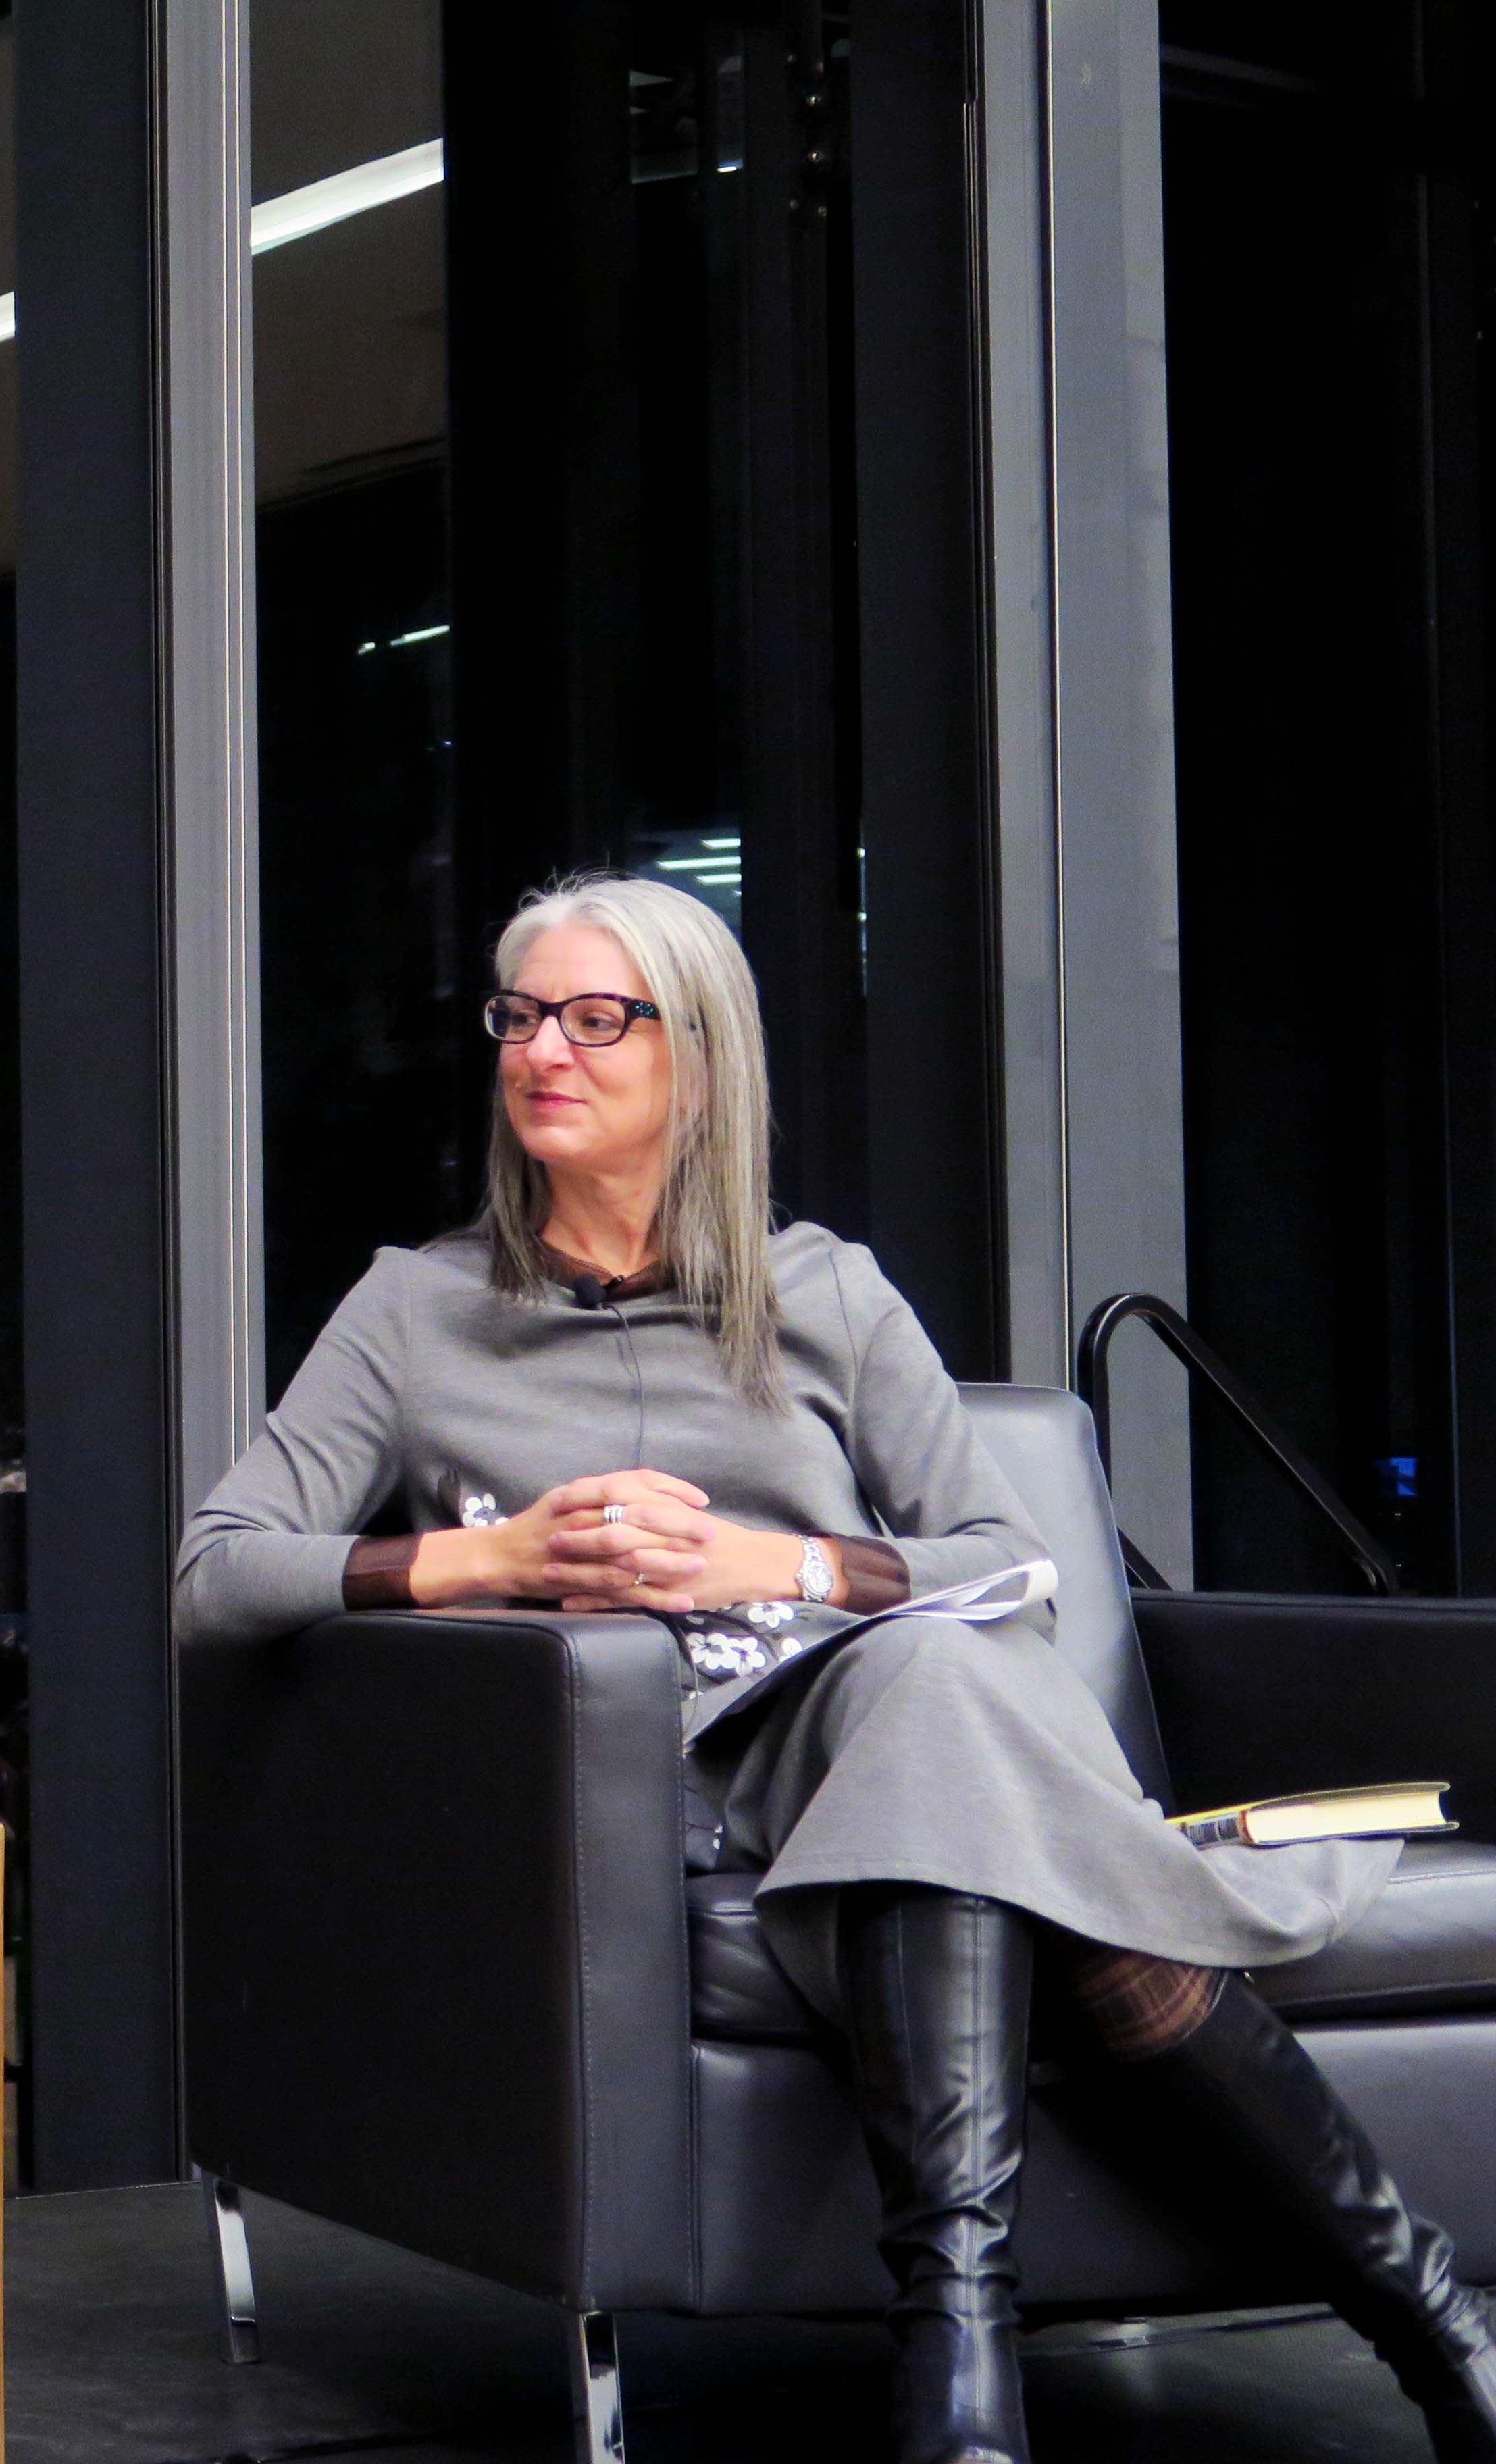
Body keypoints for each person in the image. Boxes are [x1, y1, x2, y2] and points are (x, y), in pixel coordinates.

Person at [176, 872, 1496, 2464]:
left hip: (863, 1723)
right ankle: (1428, 2318)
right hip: (657, 1778)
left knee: (931, 1687)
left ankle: (962, 2378)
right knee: (961, 1738)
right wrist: (498, 1557)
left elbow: (1017, 1561)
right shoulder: (419, 1310)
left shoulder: (827, 1292)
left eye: (601, 1020)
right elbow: (218, 1573)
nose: (546, 1051)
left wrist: (781, 1564)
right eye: (523, 1017)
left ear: (700, 1061)